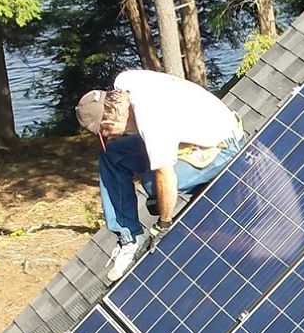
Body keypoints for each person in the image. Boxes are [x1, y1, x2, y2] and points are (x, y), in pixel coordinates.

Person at [78, 70, 245, 282]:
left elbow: (166, 177)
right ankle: (129, 238)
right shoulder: (124, 82)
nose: (111, 137)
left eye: (106, 133)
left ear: (108, 122)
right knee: (112, 155)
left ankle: (218, 203)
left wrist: (163, 225)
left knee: (153, 185)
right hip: (190, 132)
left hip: (221, 144)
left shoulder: (152, 120)